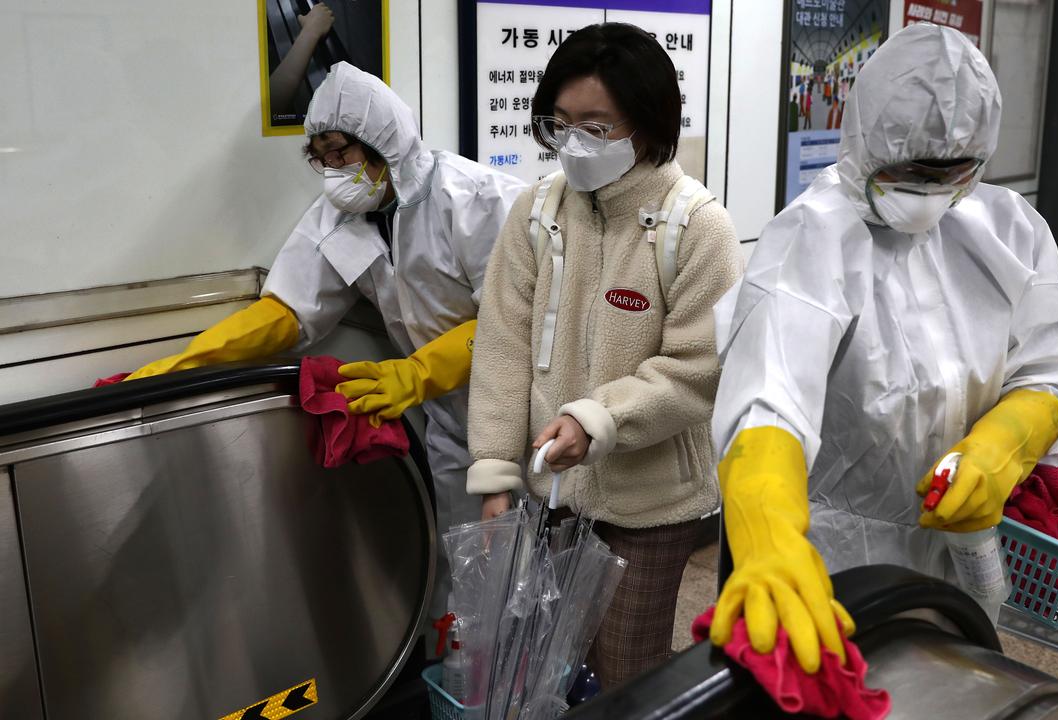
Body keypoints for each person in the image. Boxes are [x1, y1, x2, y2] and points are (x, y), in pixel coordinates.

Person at [708, 22, 1058, 674]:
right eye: (911, 170)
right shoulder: (812, 236)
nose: (930, 189)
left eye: (955, 171)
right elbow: (767, 394)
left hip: (961, 555)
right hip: (829, 554)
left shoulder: (1011, 230)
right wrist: (768, 531)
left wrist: (1003, 445)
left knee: (950, 690)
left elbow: (1050, 374)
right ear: (866, 142)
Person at [125, 62, 526, 622]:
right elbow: (288, 311)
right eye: (320, 157)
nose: (331, 170)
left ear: (383, 141)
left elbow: (514, 319)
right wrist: (185, 363)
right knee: (470, 583)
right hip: (453, 427)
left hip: (523, 416)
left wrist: (417, 373)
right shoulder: (342, 214)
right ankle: (473, 694)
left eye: (340, 152)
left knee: (537, 576)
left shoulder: (477, 199)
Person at [465, 23, 742, 688]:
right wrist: (498, 471)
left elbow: (696, 371)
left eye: (597, 126)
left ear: (646, 125)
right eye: (561, 123)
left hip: (650, 500)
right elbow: (502, 344)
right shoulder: (537, 212)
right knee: (547, 665)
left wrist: (600, 419)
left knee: (627, 666)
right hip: (547, 488)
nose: (574, 143)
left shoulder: (698, 227)